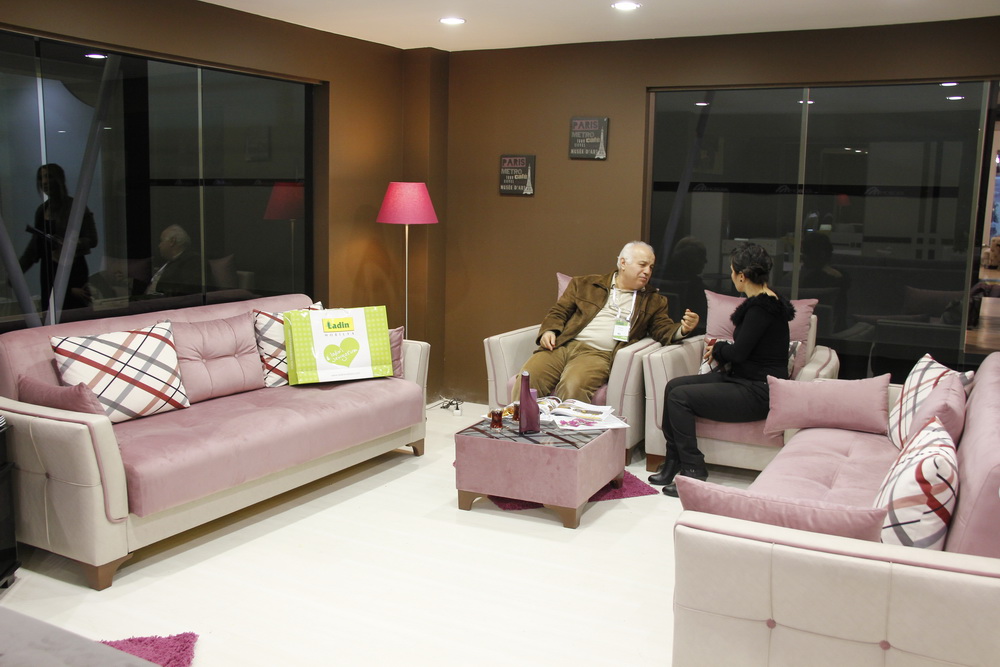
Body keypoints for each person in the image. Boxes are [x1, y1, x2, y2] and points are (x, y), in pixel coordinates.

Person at [650, 241, 795, 497]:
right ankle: (673, 461)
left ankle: (693, 468)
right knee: (673, 386)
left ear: (742, 276)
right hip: (743, 380)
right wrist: (723, 349)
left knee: (680, 397)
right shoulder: (764, 302)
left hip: (758, 391)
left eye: (732, 271)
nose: (730, 275)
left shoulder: (761, 309)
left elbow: (738, 353)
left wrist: (718, 348)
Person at [512, 240, 700, 404]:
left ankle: (565, 433)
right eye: (642, 265)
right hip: (563, 345)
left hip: (598, 354)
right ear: (623, 263)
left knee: (572, 386)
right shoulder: (585, 284)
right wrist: (549, 331)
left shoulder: (653, 300)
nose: (647, 271)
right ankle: (519, 428)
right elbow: (559, 311)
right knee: (528, 379)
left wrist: (683, 329)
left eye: (651, 267)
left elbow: (662, 329)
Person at [18, 164, 98, 310]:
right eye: (41, 178)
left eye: (48, 177)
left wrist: (72, 243)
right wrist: (17, 272)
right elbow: (34, 248)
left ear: (58, 179)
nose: (44, 182)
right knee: (50, 312)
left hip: (73, 271)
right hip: (49, 273)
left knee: (74, 313)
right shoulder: (42, 210)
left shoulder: (76, 206)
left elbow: (92, 239)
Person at [145, 224, 202, 296]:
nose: (159, 245)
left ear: (172, 241)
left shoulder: (193, 260)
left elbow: (189, 289)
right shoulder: (169, 261)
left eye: (161, 241)